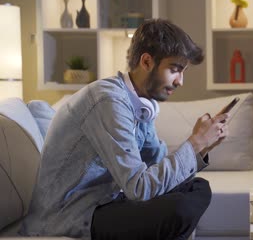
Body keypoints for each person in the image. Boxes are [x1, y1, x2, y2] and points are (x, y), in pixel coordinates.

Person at [20, 19, 229, 240]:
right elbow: (140, 188)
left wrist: (201, 148)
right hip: (70, 215)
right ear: (147, 61)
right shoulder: (108, 101)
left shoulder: (140, 105)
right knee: (180, 208)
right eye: (175, 69)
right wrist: (194, 142)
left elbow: (157, 169)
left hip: (105, 202)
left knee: (197, 188)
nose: (180, 81)